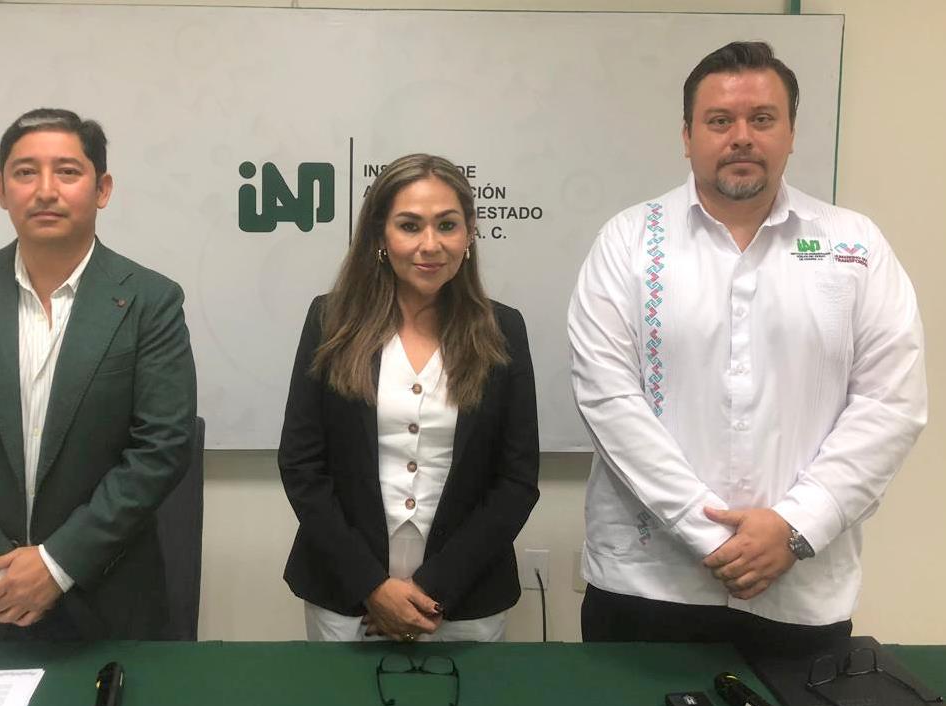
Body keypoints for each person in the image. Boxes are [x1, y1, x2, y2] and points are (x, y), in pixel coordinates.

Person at [567, 42, 926, 653]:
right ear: (687, 136)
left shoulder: (855, 244)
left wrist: (794, 527)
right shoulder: (626, 241)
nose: (741, 137)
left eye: (762, 118)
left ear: (791, 133)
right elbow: (608, 400)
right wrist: (710, 535)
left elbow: (891, 404)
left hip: (801, 587)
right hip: (647, 587)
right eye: (719, 121)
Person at [0, 109, 197, 641]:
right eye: (26, 172)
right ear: (1, 190)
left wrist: (57, 564)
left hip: (106, 597)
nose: (46, 190)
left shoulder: (151, 300)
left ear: (102, 189)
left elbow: (162, 446)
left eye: (67, 172)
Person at [279, 153, 540, 642]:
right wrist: (371, 587)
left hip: (465, 602)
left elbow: (517, 481)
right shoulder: (329, 322)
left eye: (447, 225)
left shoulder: (504, 329)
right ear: (380, 235)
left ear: (469, 234)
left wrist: (434, 587)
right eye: (409, 225)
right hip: (345, 598)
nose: (430, 244)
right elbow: (302, 466)